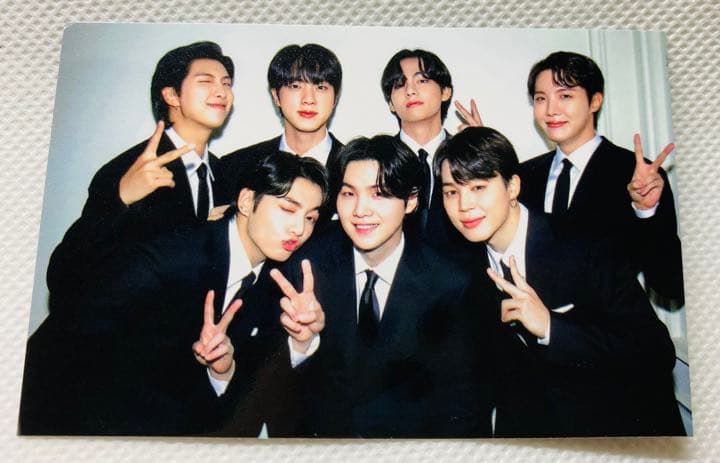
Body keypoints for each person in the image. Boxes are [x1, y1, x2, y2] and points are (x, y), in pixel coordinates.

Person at [19, 152, 328, 436]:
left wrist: (223, 369)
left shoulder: (277, 284)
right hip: (65, 409)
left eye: (311, 218)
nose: (299, 229)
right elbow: (73, 311)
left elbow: (251, 391)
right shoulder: (174, 254)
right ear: (247, 201)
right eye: (288, 209)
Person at [434, 126, 684, 436]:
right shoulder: (461, 268)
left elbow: (656, 351)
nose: (464, 205)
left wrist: (551, 327)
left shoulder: (582, 244)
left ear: (512, 187)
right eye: (451, 192)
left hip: (621, 430)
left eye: (478, 187)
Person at [271, 135, 494, 437]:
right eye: (348, 194)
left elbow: (465, 406)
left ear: (411, 201)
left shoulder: (449, 283)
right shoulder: (305, 266)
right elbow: (275, 392)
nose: (360, 210)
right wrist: (302, 344)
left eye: (378, 194)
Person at [46, 41, 236, 296]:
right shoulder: (129, 169)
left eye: (226, 84)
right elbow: (63, 275)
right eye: (205, 81)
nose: (221, 92)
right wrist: (120, 198)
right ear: (172, 95)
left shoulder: (223, 174)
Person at [520, 51, 684, 307]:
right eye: (541, 98)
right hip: (540, 329)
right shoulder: (524, 176)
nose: (551, 110)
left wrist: (646, 211)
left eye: (565, 96)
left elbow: (670, 285)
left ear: (595, 101)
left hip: (614, 330)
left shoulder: (635, 174)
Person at [220, 43, 344, 223]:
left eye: (320, 87)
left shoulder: (355, 168)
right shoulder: (235, 167)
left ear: (335, 98)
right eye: (295, 86)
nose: (308, 99)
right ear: (276, 96)